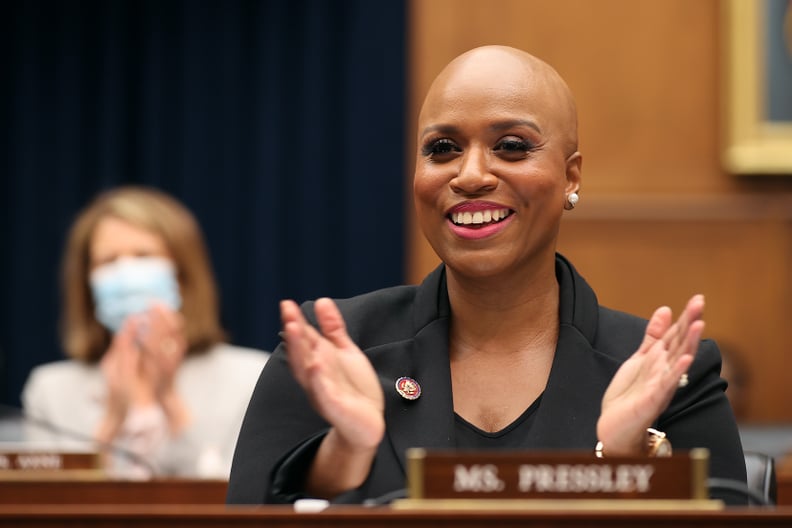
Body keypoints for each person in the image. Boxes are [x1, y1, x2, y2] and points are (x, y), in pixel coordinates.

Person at [226, 46, 747, 504]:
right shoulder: (331, 351)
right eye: (442, 149)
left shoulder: (666, 372)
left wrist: (625, 461)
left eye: (512, 146)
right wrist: (345, 453)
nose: (471, 175)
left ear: (571, 176)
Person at [21, 185, 269, 479]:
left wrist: (171, 403)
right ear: (86, 282)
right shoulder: (50, 391)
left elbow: (241, 502)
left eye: (143, 255)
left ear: (182, 273)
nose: (126, 273)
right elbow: (48, 509)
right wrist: (111, 421)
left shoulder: (251, 378)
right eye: (108, 261)